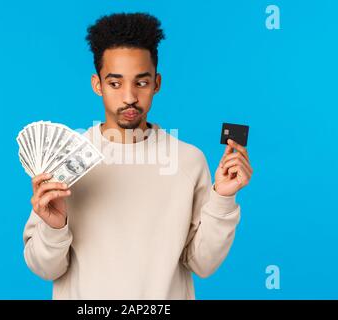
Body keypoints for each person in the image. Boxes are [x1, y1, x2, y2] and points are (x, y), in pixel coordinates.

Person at [23, 12, 253, 299]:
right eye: (115, 83)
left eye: (141, 83)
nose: (129, 96)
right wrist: (54, 228)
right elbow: (45, 269)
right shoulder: (66, 158)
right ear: (98, 85)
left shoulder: (188, 161)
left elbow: (203, 264)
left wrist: (223, 198)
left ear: (156, 83)